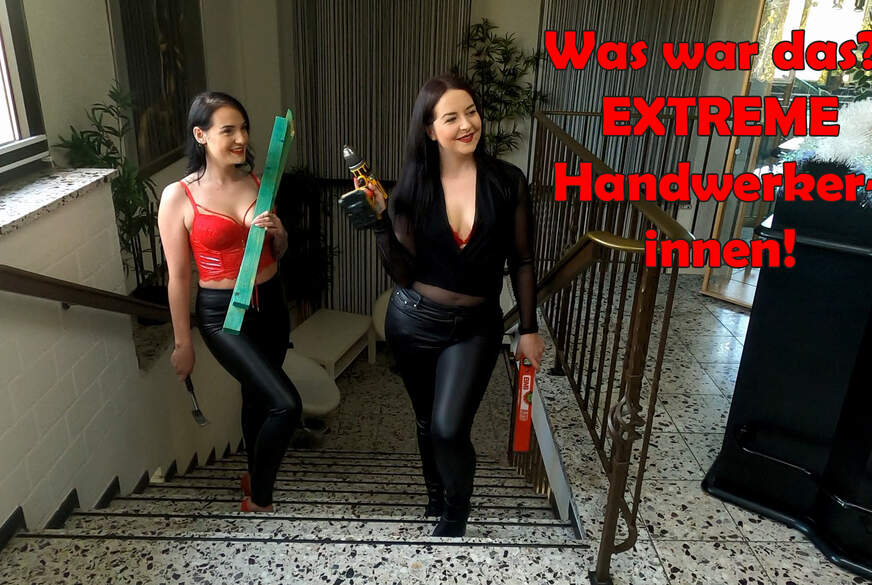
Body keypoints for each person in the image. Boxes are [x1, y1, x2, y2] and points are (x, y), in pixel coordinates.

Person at [351, 74, 544, 537]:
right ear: (430, 129)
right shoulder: (411, 189)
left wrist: (529, 329)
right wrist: (380, 224)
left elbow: (522, 259)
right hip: (413, 321)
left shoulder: (507, 181)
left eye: (471, 112)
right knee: (425, 422)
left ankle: (455, 514)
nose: (466, 124)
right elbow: (403, 274)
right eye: (451, 117)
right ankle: (435, 496)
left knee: (448, 428)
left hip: (475, 327)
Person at [158, 92, 301, 513]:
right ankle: (260, 499)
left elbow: (278, 250)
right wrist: (183, 344)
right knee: (286, 404)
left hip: (271, 303)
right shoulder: (178, 196)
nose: (241, 138)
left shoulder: (258, 181)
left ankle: (253, 474)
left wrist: (279, 234)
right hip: (223, 315)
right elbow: (178, 277)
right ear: (200, 135)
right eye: (228, 130)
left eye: (244, 128)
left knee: (256, 397)